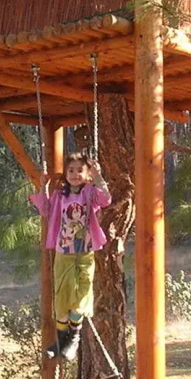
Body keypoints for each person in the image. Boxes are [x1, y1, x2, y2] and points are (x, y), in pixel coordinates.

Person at [30, 152, 111, 363]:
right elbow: (45, 210)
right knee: (62, 298)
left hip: (84, 252)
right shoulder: (59, 196)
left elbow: (105, 199)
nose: (75, 174)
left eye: (80, 170)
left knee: (81, 296)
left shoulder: (90, 193)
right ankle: (60, 340)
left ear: (87, 174)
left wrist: (99, 176)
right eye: (71, 170)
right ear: (66, 174)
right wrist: (43, 187)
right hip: (63, 252)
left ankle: (73, 339)